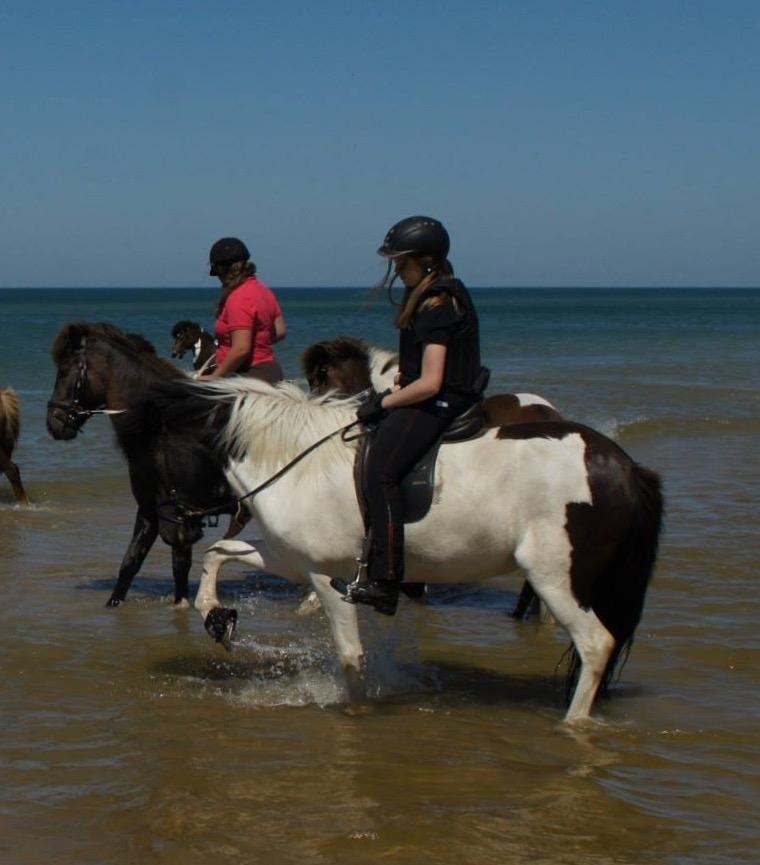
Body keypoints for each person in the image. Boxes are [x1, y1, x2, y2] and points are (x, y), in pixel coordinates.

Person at [334, 216, 483, 615]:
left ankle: (387, 581)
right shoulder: (434, 293)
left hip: (441, 401)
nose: (397, 271)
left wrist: (382, 402)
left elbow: (433, 382)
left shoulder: (436, 304)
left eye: (403, 263)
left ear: (427, 261)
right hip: (438, 393)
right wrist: (401, 380)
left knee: (379, 471)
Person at [202, 237, 286, 382]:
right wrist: (258, 341)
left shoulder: (239, 297)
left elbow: (241, 349)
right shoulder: (264, 291)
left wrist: (216, 376)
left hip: (248, 374)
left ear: (222, 270)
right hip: (270, 371)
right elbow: (280, 331)